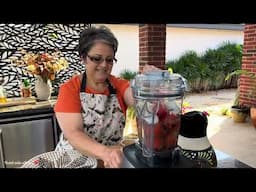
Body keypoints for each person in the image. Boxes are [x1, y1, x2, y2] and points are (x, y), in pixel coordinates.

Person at [54, 25, 160, 168]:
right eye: (97, 59)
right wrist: (106, 153)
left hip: (110, 162)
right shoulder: (70, 89)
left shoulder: (119, 86)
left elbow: (139, 102)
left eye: (109, 60)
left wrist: (149, 85)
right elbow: (73, 134)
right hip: (73, 162)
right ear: (84, 58)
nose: (104, 65)